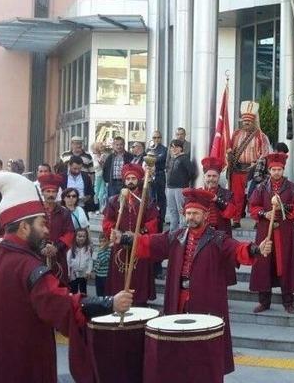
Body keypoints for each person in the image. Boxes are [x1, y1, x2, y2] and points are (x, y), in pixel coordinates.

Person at [0, 172, 133, 383]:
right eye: (41, 224)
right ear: (24, 227)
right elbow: (64, 305)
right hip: (18, 366)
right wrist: (110, 302)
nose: (46, 230)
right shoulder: (30, 267)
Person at [111, 188, 272, 382]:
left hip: (206, 301)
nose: (191, 217)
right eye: (188, 213)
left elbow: (237, 249)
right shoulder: (176, 236)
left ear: (205, 215)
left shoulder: (218, 239)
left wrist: (256, 249)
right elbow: (152, 243)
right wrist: (125, 238)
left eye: (195, 213)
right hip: (178, 298)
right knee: (179, 343)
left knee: (203, 346)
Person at [248, 152, 294, 314]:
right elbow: (253, 207)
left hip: (285, 232)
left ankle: (288, 302)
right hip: (266, 230)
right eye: (273, 169)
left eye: (279, 169)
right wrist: (265, 214)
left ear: (283, 170)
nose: (276, 172)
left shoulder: (292, 188)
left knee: (286, 264)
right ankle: (264, 302)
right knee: (264, 264)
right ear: (269, 171)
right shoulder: (260, 187)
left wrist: (283, 208)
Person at [102, 163, 159, 305]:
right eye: (128, 179)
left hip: (140, 244)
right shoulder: (114, 200)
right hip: (119, 246)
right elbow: (107, 221)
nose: (130, 181)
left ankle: (139, 303)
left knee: (139, 277)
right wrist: (116, 233)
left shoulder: (147, 201)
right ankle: (118, 304)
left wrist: (138, 234)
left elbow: (153, 222)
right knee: (119, 279)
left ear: (139, 180)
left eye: (133, 178)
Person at [228, 101, 272, 226]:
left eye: (249, 122)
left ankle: (257, 220)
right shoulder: (236, 134)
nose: (246, 123)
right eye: (244, 121)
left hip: (253, 170)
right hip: (237, 169)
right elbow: (230, 148)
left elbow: (265, 153)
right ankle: (236, 220)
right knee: (237, 196)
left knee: (255, 197)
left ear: (253, 122)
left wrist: (257, 164)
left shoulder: (261, 136)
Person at [38, 173, 75, 287]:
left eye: (53, 192)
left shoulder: (64, 212)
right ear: (42, 192)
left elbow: (70, 233)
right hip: (38, 256)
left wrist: (56, 247)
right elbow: (30, 232)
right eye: (48, 191)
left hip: (58, 257)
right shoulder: (35, 211)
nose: (51, 194)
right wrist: (41, 247)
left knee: (59, 287)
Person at [200, 156, 240, 237]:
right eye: (209, 176)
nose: (211, 179)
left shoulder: (227, 194)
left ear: (218, 177)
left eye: (214, 176)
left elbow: (231, 213)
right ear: (204, 177)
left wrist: (217, 199)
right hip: (202, 233)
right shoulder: (198, 192)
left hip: (222, 232)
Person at [165, 139, 196, 231]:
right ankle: (173, 233)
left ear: (181, 148)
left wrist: (184, 181)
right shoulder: (172, 158)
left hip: (180, 188)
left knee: (181, 211)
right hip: (170, 188)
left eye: (176, 147)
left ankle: (182, 233)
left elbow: (192, 172)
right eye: (172, 147)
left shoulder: (184, 158)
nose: (174, 149)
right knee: (172, 211)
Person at [149, 130, 168, 225]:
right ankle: (152, 217)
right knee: (151, 197)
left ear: (161, 138)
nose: (156, 139)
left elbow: (158, 159)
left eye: (158, 137)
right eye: (154, 137)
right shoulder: (150, 149)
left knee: (161, 197)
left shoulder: (164, 149)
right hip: (150, 176)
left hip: (160, 175)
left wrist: (151, 158)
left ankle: (162, 218)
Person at [67, 228, 93, 295]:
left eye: (83, 236)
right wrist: (69, 273)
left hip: (83, 274)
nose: (81, 238)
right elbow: (68, 261)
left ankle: (83, 303)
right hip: (74, 274)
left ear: (86, 238)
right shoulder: (72, 249)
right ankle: (73, 303)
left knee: (83, 291)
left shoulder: (88, 249)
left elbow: (90, 260)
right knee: (73, 291)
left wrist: (89, 271)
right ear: (75, 237)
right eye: (79, 236)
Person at [91, 142, 108, 213]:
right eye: (101, 147)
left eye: (103, 147)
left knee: (102, 192)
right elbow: (95, 166)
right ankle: (95, 207)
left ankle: (101, 207)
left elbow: (104, 166)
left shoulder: (104, 155)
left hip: (102, 175)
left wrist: (102, 163)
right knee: (96, 191)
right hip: (97, 175)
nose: (102, 149)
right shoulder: (94, 157)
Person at [93, 233, 111, 297]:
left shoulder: (109, 249)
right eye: (100, 241)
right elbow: (97, 262)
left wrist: (101, 253)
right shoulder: (100, 250)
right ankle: (99, 303)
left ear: (108, 241)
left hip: (105, 275)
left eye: (104, 241)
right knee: (99, 292)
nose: (102, 243)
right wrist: (94, 270)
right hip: (98, 275)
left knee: (105, 292)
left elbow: (105, 259)